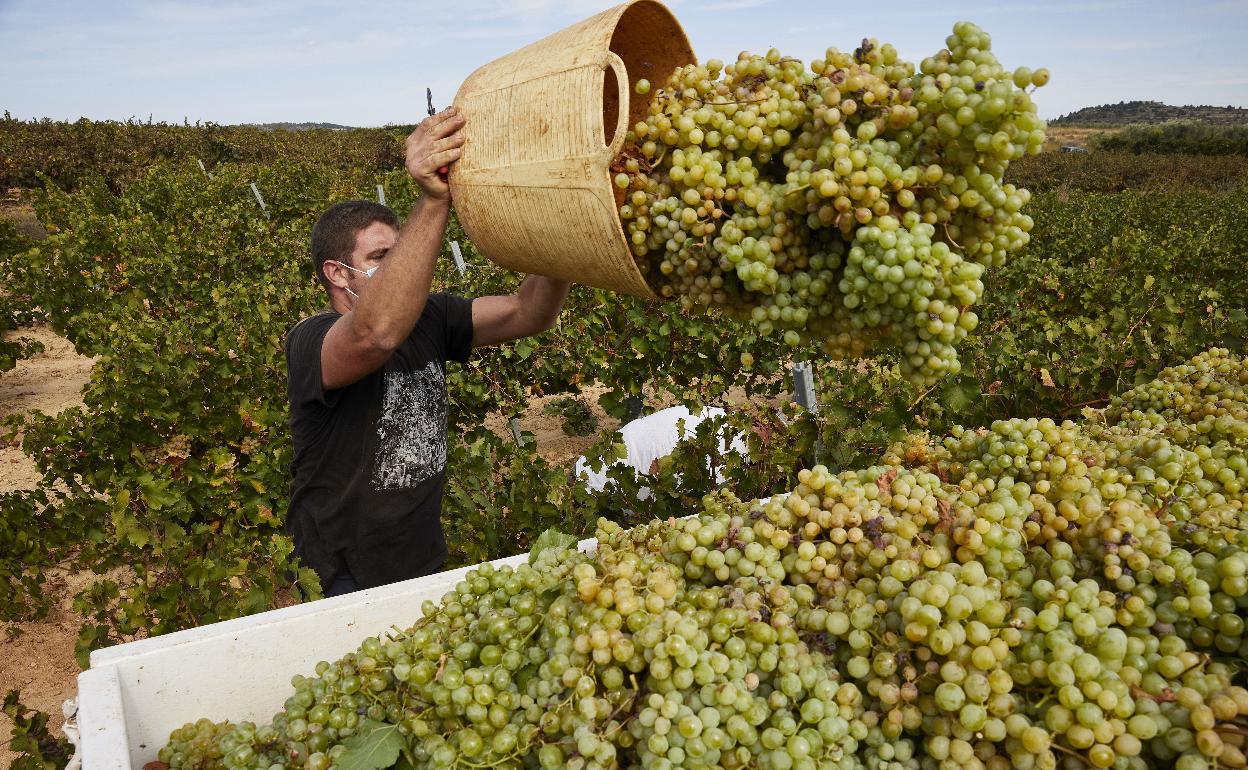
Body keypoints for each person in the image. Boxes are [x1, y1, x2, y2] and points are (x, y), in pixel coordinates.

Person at [284, 107, 570, 597]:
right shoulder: (312, 339)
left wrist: (569, 233)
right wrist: (434, 201)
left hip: (419, 555)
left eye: (402, 252)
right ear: (336, 273)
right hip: (341, 571)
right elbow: (375, 334)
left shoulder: (432, 317)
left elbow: (528, 312)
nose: (400, 267)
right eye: (380, 258)